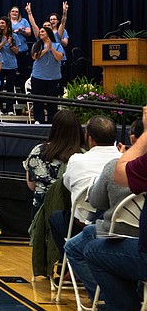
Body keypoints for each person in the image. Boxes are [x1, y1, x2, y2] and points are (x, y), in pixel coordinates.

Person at [64, 117, 143, 302]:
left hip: (119, 234)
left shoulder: (116, 167)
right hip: (138, 233)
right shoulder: (118, 161)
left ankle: (105, 300)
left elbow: (96, 201)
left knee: (80, 247)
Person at [82, 106, 147, 310]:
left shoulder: (111, 164)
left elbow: (119, 175)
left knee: (92, 247)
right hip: (134, 236)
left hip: (135, 245)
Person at [50, 115, 121, 251]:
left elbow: (68, 185)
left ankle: (72, 264)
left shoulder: (77, 160)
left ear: (89, 138)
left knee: (56, 217)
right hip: (122, 227)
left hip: (86, 226)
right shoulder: (126, 161)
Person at [23, 109, 84, 216]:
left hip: (41, 211)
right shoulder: (84, 155)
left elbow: (31, 185)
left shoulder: (37, 151)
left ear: (54, 128)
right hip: (72, 214)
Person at [30, 25, 65, 124]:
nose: (40, 33)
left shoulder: (57, 45)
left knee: (52, 101)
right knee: (38, 99)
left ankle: (52, 119)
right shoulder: (37, 45)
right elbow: (35, 57)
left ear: (48, 34)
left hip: (53, 77)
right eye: (40, 32)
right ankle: (38, 119)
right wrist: (46, 49)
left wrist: (51, 48)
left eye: (42, 32)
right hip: (38, 76)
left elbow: (59, 57)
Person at [0, 16, 19, 115]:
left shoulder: (14, 36)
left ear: (7, 24)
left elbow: (17, 51)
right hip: (0, 65)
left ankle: (9, 109)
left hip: (11, 66)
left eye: (3, 23)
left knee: (10, 88)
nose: (1, 25)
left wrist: (10, 44)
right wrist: (3, 42)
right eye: (0, 23)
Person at [9, 5, 32, 91]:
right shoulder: (7, 22)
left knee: (23, 72)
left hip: (22, 50)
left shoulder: (24, 21)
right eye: (13, 11)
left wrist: (21, 31)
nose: (15, 13)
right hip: (11, 51)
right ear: (10, 13)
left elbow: (29, 33)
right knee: (11, 72)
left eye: (16, 12)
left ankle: (23, 91)